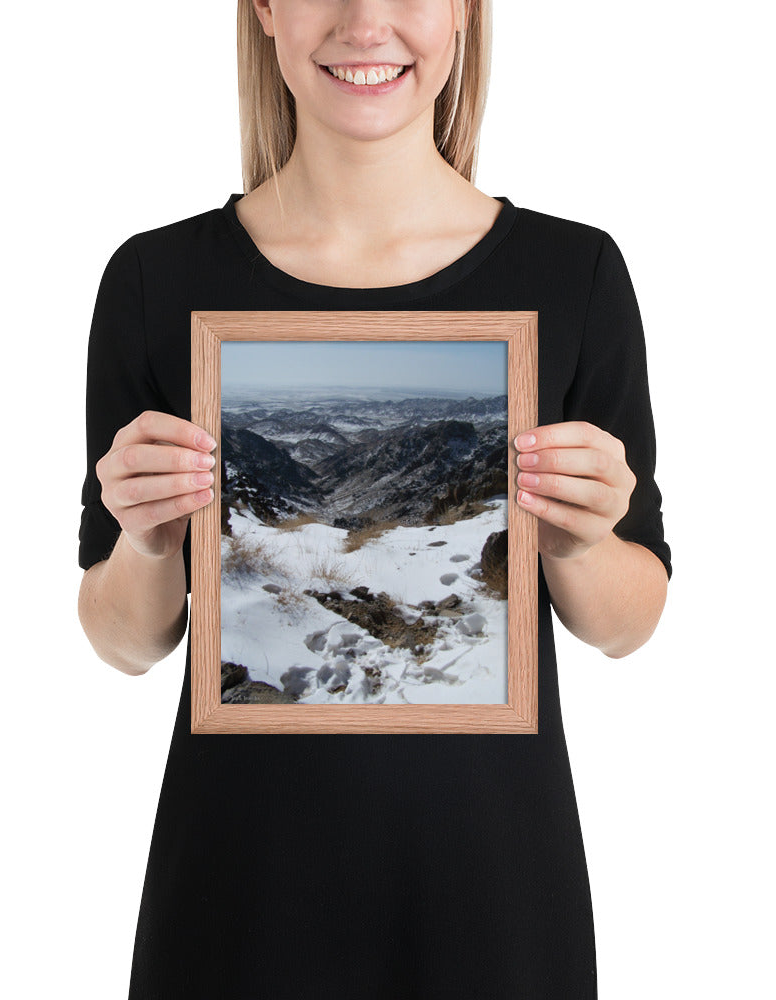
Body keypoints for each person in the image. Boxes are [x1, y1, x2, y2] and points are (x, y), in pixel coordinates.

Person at [78, 1, 672, 996]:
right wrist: (144, 543)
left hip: (495, 903)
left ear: (464, 15)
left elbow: (628, 621)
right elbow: (125, 640)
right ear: (265, 10)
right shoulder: (155, 280)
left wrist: (580, 540)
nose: (366, 21)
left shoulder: (575, 275)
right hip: (237, 904)